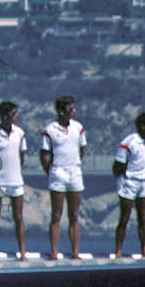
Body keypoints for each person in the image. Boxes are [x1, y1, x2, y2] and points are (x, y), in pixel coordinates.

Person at [39, 95, 86, 261]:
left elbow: (82, 149)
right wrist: (51, 171)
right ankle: (54, 252)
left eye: (73, 108)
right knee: (56, 215)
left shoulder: (78, 127)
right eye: (69, 109)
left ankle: (75, 252)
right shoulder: (50, 130)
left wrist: (76, 164)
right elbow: (44, 154)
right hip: (58, 171)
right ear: (60, 111)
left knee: (74, 215)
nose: (73, 112)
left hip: (74, 171)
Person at [0, 101, 28, 261]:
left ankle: (22, 252)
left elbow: (21, 156)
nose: (16, 116)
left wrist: (14, 171)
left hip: (16, 181)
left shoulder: (20, 133)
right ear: (5, 115)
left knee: (18, 217)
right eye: (13, 113)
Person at [112, 112, 145, 259]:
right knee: (124, 217)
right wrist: (123, 179)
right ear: (142, 126)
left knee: (143, 217)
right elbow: (117, 165)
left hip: (143, 181)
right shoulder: (128, 142)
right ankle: (118, 250)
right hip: (129, 181)